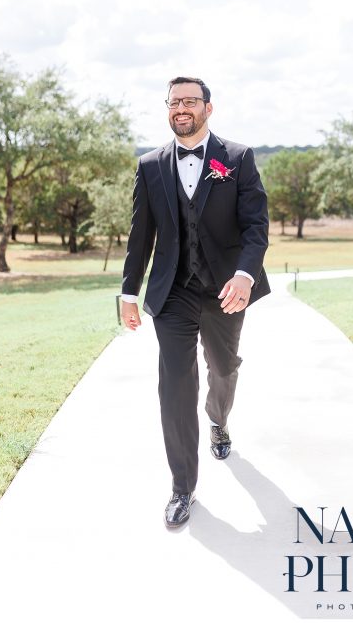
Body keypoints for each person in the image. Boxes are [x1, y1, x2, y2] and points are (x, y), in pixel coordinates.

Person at [120, 76, 269, 528]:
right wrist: (129, 291)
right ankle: (182, 486)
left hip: (226, 289)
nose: (181, 107)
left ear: (209, 107)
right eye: (174, 101)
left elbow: (256, 226)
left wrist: (245, 275)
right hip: (173, 291)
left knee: (223, 368)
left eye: (190, 100)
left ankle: (219, 420)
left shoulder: (237, 159)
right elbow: (140, 235)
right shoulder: (150, 166)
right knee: (175, 384)